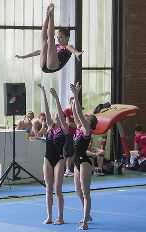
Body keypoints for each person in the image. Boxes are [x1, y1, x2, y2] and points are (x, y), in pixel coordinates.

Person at [15, 3, 84, 73]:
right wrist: (24, 56)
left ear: (67, 38)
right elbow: (39, 52)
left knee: (50, 40)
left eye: (60, 37)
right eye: (57, 37)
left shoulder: (67, 47)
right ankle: (47, 16)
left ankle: (51, 16)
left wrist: (77, 53)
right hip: (43, 66)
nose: (58, 39)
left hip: (53, 66)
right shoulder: (56, 47)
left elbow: (72, 49)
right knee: (44, 41)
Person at [38, 84, 68, 225]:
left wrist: (56, 98)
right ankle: (49, 216)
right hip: (48, 159)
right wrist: (44, 93)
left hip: (59, 160)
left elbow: (60, 114)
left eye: (59, 115)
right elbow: (46, 110)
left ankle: (60, 217)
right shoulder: (50, 127)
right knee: (48, 188)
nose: (56, 115)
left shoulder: (64, 129)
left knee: (57, 188)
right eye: (55, 115)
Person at [70, 82, 98, 230]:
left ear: (89, 122)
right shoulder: (80, 127)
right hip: (76, 161)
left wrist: (76, 95)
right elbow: (76, 113)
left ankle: (85, 223)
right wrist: (75, 98)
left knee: (86, 192)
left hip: (84, 162)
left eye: (87, 116)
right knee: (77, 190)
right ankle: (87, 214)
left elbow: (79, 114)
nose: (84, 115)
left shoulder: (87, 129)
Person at [64, 97, 77, 177]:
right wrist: (78, 125)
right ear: (70, 103)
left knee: (72, 153)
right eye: (73, 103)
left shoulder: (75, 113)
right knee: (67, 153)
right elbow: (69, 123)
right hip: (68, 134)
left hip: (74, 134)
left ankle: (68, 169)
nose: (74, 105)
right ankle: (65, 169)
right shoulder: (66, 111)